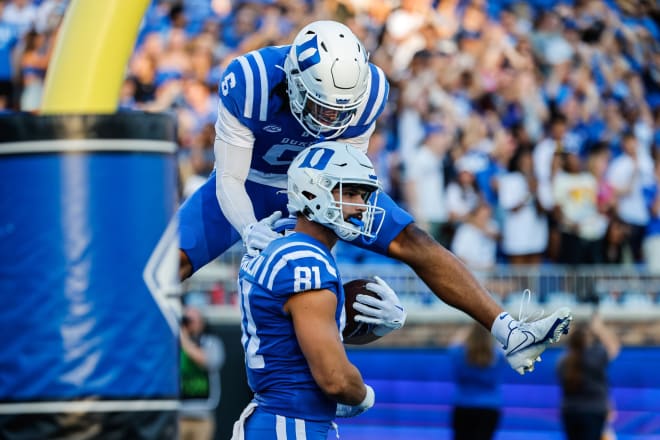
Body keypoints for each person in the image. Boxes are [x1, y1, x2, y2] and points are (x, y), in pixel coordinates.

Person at [178, 19, 572, 375]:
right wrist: (249, 229)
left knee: (414, 241)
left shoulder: (371, 91)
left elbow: (346, 168)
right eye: (321, 108)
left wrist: (323, 270)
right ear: (295, 80)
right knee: (166, 265)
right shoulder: (251, 79)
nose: (329, 121)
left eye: (339, 111)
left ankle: (510, 331)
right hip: (250, 180)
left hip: (319, 179)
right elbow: (228, 176)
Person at [230, 142, 403, 439]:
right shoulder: (306, 259)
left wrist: (372, 327)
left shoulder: (284, 246)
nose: (360, 207)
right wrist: (363, 396)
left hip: (280, 419)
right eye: (349, 193)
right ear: (311, 193)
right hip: (292, 424)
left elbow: (291, 342)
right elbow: (334, 379)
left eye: (362, 196)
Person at [557, 313, 621, 440]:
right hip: (593, 412)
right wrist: (599, 328)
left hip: (570, 412)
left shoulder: (563, 362)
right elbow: (614, 347)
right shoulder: (594, 357)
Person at [449, 322, 507, 440]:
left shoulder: (459, 354)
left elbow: (452, 347)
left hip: (464, 405)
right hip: (489, 407)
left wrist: (464, 333)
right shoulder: (497, 356)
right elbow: (507, 349)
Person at [179, 306, 226, 440]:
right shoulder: (174, 344)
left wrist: (184, 340)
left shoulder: (211, 343)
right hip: (179, 416)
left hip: (203, 416)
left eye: (192, 320)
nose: (189, 324)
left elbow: (205, 360)